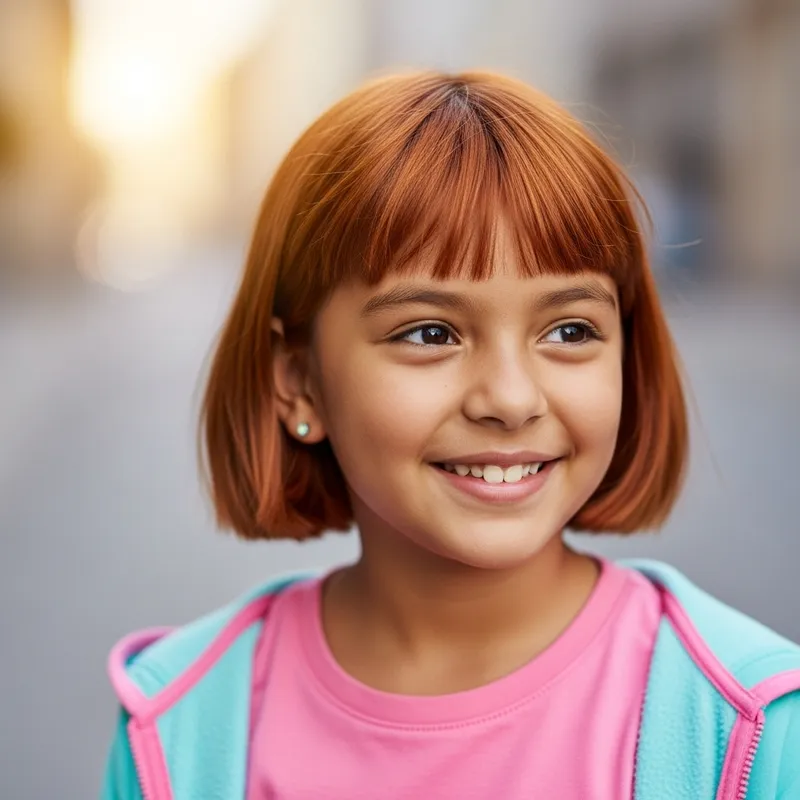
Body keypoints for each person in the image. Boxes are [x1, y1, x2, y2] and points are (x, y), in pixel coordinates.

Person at [101, 71, 800, 799]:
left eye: (569, 330)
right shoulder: (179, 731)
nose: (510, 398)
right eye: (430, 332)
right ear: (298, 380)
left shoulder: (749, 730)